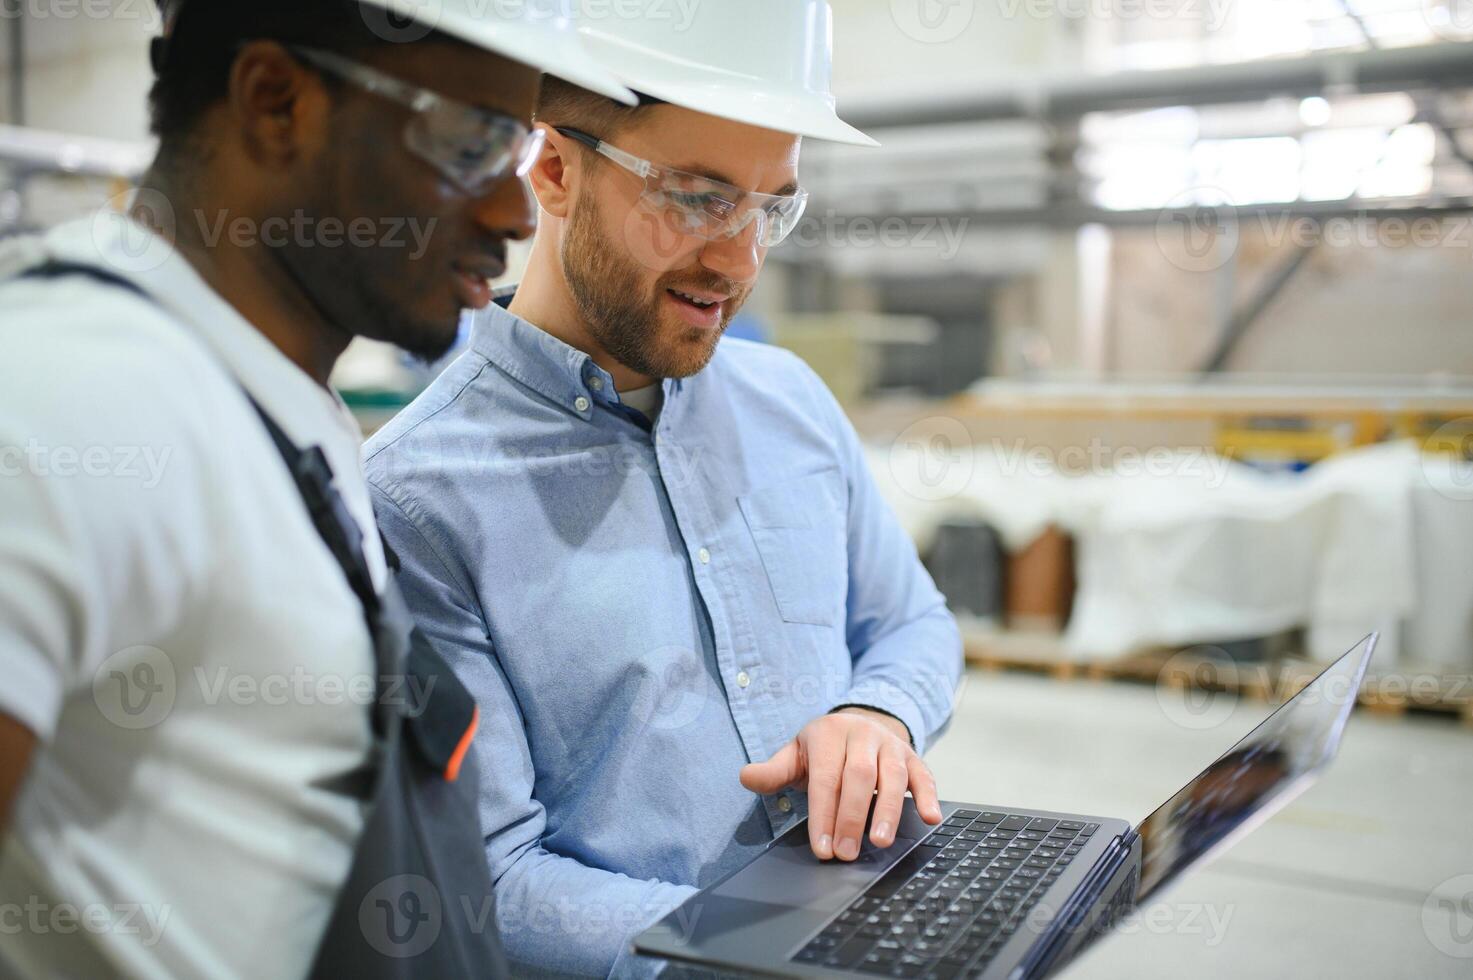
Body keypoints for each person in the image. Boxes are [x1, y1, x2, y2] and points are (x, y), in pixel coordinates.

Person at [0, 1, 633, 976]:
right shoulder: (66, 397)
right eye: (473, 137)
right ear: (274, 100)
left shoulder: (273, 397)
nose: (514, 213)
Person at [361, 1, 965, 974]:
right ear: (554, 170)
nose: (741, 258)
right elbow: (492, 878)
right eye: (695, 195)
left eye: (772, 204)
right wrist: (783, 950)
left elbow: (913, 623)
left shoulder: (792, 403)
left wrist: (878, 712)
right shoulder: (416, 500)